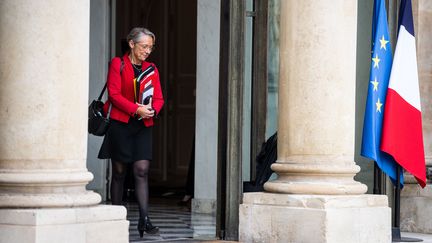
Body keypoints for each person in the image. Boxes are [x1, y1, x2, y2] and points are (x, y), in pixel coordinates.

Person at [101, 27, 164, 237]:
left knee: (142, 171)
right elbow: (114, 95)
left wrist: (153, 110)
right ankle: (116, 217)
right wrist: (136, 108)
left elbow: (159, 98)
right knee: (119, 173)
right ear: (131, 44)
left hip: (142, 126)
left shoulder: (152, 68)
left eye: (150, 47)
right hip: (121, 124)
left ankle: (144, 220)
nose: (148, 51)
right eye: (144, 46)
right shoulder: (117, 64)